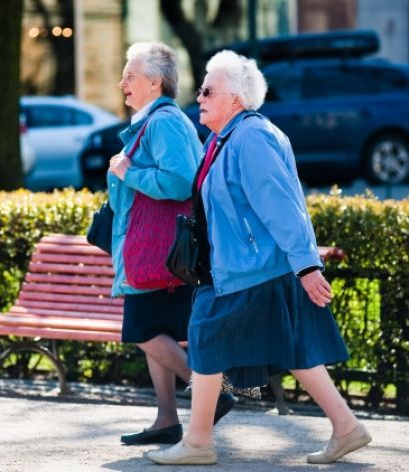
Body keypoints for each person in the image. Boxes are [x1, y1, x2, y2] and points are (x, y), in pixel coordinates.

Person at [147, 50, 372, 465]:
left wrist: (306, 264)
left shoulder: (250, 137)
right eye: (200, 90)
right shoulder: (225, 137)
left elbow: (281, 204)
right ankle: (347, 427)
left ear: (236, 98)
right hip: (245, 268)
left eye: (208, 90)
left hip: (250, 270)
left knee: (206, 337)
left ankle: (198, 442)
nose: (198, 97)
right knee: (295, 350)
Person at [108, 42, 235, 446]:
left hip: (158, 252)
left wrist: (130, 172)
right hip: (154, 250)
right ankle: (166, 418)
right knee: (156, 330)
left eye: (130, 75)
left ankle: (210, 395)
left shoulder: (164, 122)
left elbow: (181, 181)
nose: (123, 83)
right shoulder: (153, 121)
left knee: (142, 330)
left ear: (155, 81)